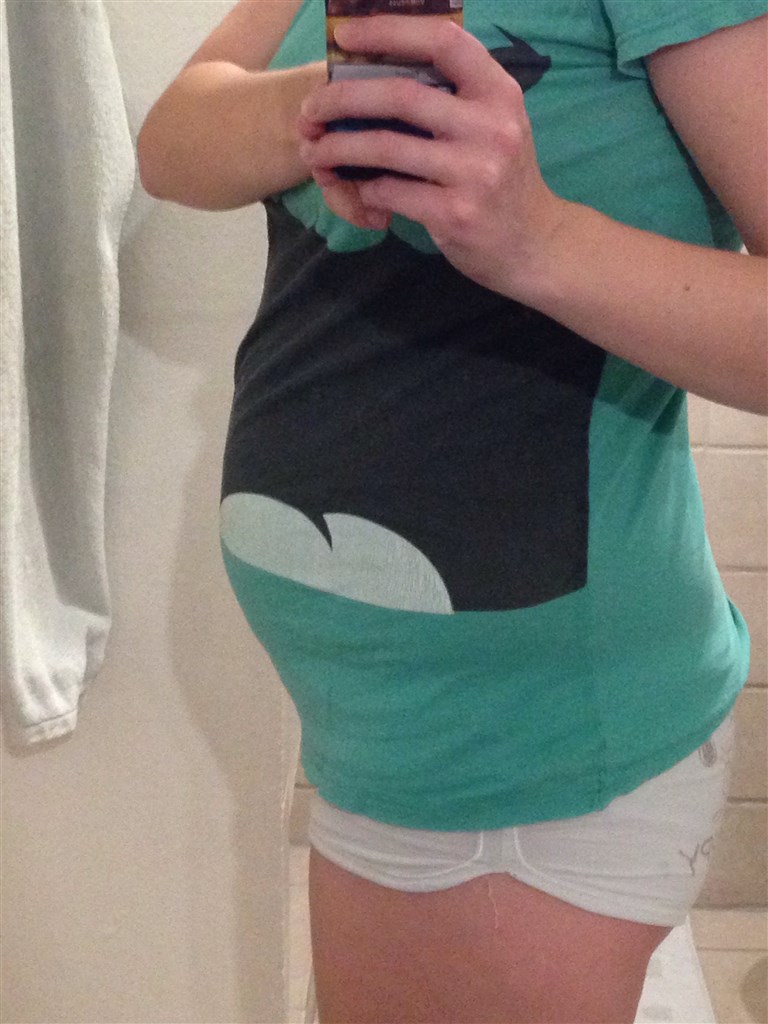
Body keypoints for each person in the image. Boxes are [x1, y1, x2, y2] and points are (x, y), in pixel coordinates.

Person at [138, 1, 767, 1020]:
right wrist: (335, 104)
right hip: (393, 742)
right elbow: (174, 144)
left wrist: (539, 238)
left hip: (529, 757)